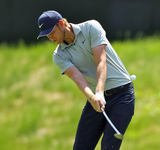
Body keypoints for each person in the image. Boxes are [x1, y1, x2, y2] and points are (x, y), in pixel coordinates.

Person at [37, 10, 135, 150]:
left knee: (109, 146)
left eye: (51, 31)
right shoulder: (58, 55)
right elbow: (77, 77)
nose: (50, 37)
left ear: (61, 24)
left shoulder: (91, 27)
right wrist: (92, 97)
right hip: (95, 99)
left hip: (122, 95)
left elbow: (100, 61)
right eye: (46, 35)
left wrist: (99, 93)